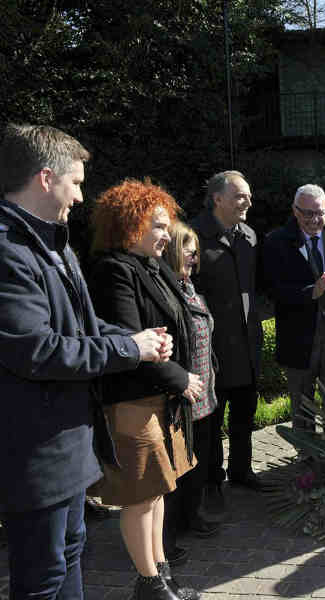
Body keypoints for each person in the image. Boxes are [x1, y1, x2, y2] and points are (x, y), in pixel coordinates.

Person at [0, 124, 171, 600]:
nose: (79, 196)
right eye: (75, 182)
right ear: (45, 178)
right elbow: (37, 350)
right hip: (36, 449)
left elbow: (83, 327)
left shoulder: (51, 242)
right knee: (43, 575)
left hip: (69, 442)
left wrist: (133, 339)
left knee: (71, 553)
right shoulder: (9, 251)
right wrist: (129, 349)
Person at [89, 179, 202, 600]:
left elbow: (167, 330)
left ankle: (160, 575)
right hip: (132, 401)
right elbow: (130, 339)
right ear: (129, 225)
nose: (165, 235)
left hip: (157, 399)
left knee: (157, 491)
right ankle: (150, 584)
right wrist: (180, 378)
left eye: (166, 226)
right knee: (139, 497)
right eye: (157, 226)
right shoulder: (113, 270)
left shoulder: (151, 267)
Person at [263, 184, 325, 432]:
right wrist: (310, 292)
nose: (315, 220)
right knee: (302, 407)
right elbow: (271, 289)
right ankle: (306, 453)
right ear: (295, 211)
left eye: (320, 213)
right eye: (308, 213)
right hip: (298, 338)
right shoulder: (276, 241)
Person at [190, 171, 264, 497]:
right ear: (217, 199)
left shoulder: (249, 236)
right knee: (212, 420)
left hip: (247, 345)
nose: (247, 202)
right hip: (213, 347)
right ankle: (212, 482)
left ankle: (241, 470)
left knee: (245, 413)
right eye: (240, 196)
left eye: (248, 196)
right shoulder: (192, 237)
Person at [162, 221, 221, 544]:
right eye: (189, 251)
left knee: (198, 461)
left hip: (204, 396)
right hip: (180, 396)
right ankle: (169, 531)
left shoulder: (191, 289)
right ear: (172, 251)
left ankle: (192, 515)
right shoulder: (165, 292)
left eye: (196, 253)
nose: (195, 258)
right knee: (178, 465)